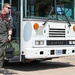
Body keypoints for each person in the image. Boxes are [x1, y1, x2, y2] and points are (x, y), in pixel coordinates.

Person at [0, 3, 13, 67]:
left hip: (3, 35)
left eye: (10, 8)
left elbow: (10, 28)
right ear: (4, 7)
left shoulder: (9, 18)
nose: (9, 10)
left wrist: (9, 35)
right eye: (8, 8)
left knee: (1, 51)